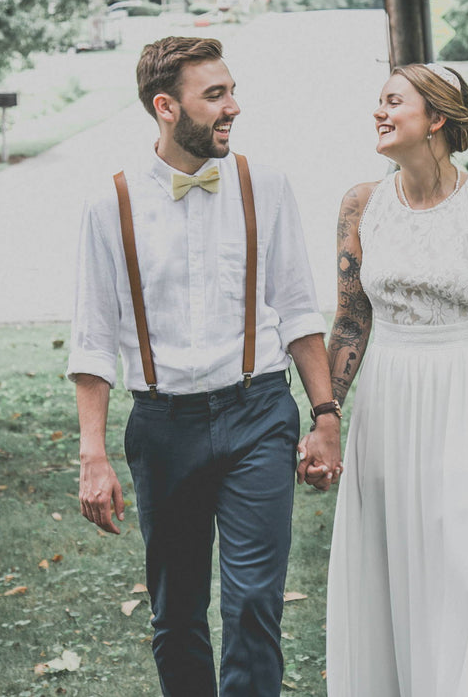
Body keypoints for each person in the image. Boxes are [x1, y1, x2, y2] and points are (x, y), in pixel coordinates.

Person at [66, 36, 343, 697]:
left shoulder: (265, 186)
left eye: (232, 91)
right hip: (163, 427)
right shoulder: (112, 205)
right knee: (177, 615)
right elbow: (94, 339)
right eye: (214, 96)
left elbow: (300, 311)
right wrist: (93, 454)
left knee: (253, 604)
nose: (233, 107)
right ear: (167, 106)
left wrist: (326, 417)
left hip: (257, 415)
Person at [323, 62, 468, 697]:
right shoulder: (360, 205)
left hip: (466, 402)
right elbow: (349, 320)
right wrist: (327, 416)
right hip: (387, 407)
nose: (379, 112)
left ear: (437, 120)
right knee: (393, 577)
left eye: (394, 102)